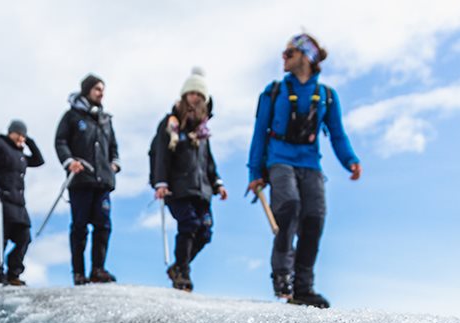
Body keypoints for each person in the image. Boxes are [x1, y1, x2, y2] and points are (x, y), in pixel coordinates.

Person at [247, 32, 361, 307]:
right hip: (279, 160)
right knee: (288, 207)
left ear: (306, 57)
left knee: (314, 219)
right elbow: (259, 134)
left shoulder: (327, 96)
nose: (283, 58)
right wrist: (254, 173)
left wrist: (351, 160)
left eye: (289, 53)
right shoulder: (272, 93)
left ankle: (303, 287)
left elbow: (337, 134)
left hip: (311, 163)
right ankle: (283, 276)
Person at [149, 67, 228, 292]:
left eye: (200, 95)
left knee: (205, 231)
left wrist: (217, 183)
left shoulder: (202, 132)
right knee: (189, 224)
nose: (195, 99)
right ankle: (183, 272)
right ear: (184, 96)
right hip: (177, 188)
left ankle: (178, 266)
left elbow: (208, 161)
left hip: (201, 189)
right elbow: (159, 154)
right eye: (192, 94)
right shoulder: (170, 124)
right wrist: (160, 182)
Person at [55, 74, 121, 285]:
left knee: (103, 225)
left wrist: (114, 163)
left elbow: (113, 146)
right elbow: (61, 141)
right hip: (80, 180)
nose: (101, 93)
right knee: (80, 226)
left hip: (102, 181)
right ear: (87, 91)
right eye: (97, 89)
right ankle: (79, 272)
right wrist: (69, 161)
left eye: (103, 89)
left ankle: (98, 269)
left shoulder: (105, 119)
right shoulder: (72, 116)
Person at [0, 120, 45, 285]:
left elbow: (39, 160)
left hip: (18, 204)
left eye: (24, 136)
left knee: (24, 237)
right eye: (19, 134)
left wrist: (29, 140)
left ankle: (13, 273)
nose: (21, 139)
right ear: (11, 132)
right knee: (0, 240)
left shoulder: (21, 154)